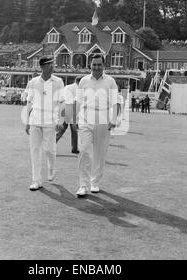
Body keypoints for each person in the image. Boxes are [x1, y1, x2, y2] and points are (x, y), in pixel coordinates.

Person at [75, 54, 118, 197]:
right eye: (94, 64)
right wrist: (75, 118)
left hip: (103, 119)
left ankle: (95, 182)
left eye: (99, 64)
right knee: (84, 150)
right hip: (86, 119)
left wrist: (113, 118)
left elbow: (115, 102)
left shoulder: (110, 82)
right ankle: (83, 185)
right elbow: (79, 102)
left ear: (104, 65)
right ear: (90, 65)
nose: (96, 67)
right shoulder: (83, 81)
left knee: (100, 153)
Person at [25, 56, 65, 191]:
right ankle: (36, 180)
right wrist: (27, 121)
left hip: (50, 121)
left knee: (49, 149)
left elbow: (62, 101)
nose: (52, 67)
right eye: (49, 64)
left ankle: (52, 167)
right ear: (42, 66)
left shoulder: (58, 81)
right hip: (35, 120)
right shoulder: (33, 82)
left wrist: (60, 120)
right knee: (34, 151)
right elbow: (29, 102)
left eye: (52, 64)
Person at [56, 76, 82, 154]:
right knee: (72, 130)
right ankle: (74, 148)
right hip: (71, 110)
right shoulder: (79, 90)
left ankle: (74, 148)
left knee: (64, 129)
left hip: (65, 109)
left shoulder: (68, 87)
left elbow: (61, 98)